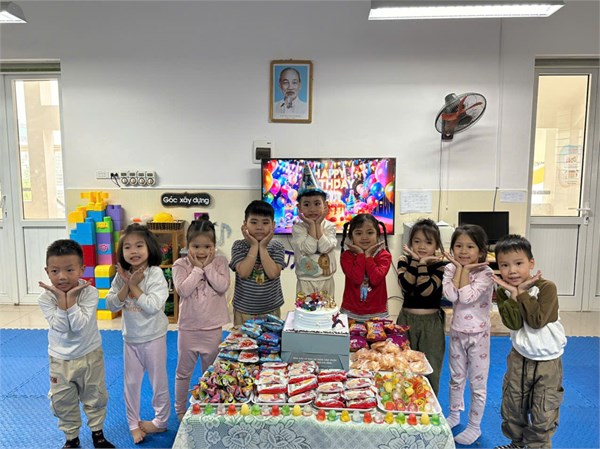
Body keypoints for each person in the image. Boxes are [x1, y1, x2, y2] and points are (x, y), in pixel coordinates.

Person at [38, 239, 115, 449]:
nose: (62, 276)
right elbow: (61, 327)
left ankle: (98, 433)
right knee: (62, 400)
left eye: (69, 270)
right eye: (55, 271)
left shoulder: (90, 292)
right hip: (60, 359)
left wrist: (70, 299)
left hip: (90, 354)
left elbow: (79, 325)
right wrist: (62, 299)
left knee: (95, 395)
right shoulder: (45, 298)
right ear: (47, 271)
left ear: (82, 269)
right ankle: (71, 437)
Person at [492, 234, 566, 449]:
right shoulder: (504, 291)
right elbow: (514, 323)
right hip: (519, 357)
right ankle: (516, 444)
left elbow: (536, 321)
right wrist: (512, 295)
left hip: (548, 361)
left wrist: (522, 293)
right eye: (504, 265)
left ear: (531, 263)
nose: (512, 270)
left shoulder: (547, 288)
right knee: (513, 405)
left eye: (518, 263)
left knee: (544, 411)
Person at [105, 224, 170, 444]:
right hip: (130, 340)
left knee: (158, 383)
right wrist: (126, 284)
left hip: (154, 338)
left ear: (149, 247)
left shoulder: (155, 274)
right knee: (131, 385)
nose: (133, 251)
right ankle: (133, 424)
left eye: (139, 245)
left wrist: (134, 286)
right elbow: (111, 304)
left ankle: (161, 421)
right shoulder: (121, 276)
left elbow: (153, 306)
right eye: (127, 247)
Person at [172, 218, 231, 421]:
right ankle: (180, 409)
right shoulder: (180, 264)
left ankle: (209, 406)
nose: (202, 251)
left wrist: (208, 267)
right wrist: (197, 268)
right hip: (188, 328)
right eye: (196, 246)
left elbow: (222, 286)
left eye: (207, 246)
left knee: (211, 372)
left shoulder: (220, 262)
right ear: (187, 245)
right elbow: (183, 290)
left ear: (214, 246)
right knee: (183, 372)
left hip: (212, 328)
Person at [443, 224, 494, 445]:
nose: (463, 251)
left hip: (479, 335)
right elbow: (450, 295)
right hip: (457, 332)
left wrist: (462, 271)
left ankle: (474, 426)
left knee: (477, 383)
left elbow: (465, 297)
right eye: (458, 246)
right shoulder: (449, 268)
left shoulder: (486, 273)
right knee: (456, 378)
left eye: (470, 246)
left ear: (481, 251)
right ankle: (454, 415)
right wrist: (458, 268)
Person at [396, 218, 447, 395]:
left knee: (430, 365)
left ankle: (429, 403)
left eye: (428, 242)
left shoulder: (441, 266)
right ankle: (401, 401)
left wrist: (423, 263)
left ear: (437, 245)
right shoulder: (404, 260)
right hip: (406, 321)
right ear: (410, 243)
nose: (422, 246)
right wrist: (415, 261)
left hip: (431, 323)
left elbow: (426, 290)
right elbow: (406, 285)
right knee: (402, 363)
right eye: (417, 241)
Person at [230, 200, 287, 325]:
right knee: (242, 338)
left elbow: (273, 274)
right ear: (245, 224)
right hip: (244, 310)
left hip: (271, 310)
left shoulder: (277, 247)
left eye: (265, 223)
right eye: (254, 222)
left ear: (273, 225)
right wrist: (254, 246)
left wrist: (262, 247)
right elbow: (244, 273)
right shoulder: (239, 246)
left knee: (271, 337)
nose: (259, 227)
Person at [290, 165, 337, 297]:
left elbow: (324, 247)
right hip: (305, 280)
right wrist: (312, 224)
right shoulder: (298, 228)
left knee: (327, 308)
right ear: (299, 208)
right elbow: (309, 249)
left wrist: (318, 224)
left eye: (317, 204)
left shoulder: (330, 226)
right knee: (306, 309)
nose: (312, 209)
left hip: (326, 280)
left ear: (325, 205)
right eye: (306, 204)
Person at [340, 213, 392, 321]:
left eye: (370, 232)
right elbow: (357, 279)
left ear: (377, 234)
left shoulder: (384, 256)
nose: (364, 237)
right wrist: (360, 255)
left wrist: (368, 257)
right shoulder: (346, 256)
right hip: (351, 312)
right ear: (351, 236)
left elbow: (375, 279)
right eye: (358, 233)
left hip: (377, 313)